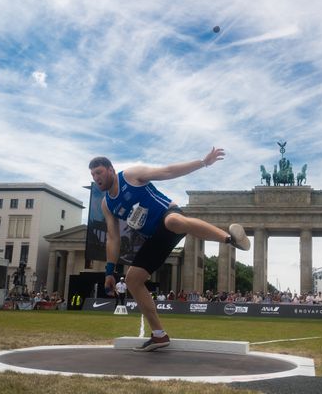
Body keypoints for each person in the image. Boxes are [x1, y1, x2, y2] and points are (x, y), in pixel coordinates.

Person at [89, 147, 250, 352]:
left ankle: (230, 239)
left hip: (168, 215)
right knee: (132, 279)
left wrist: (203, 162)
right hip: (155, 238)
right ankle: (159, 335)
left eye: (99, 173)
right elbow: (113, 238)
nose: (96, 178)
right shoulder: (107, 204)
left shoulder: (130, 175)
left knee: (174, 221)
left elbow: (168, 171)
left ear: (111, 169)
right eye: (93, 175)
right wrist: (109, 271)